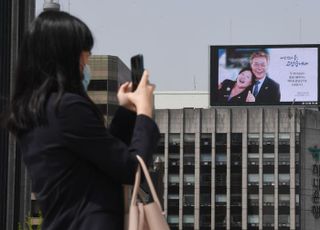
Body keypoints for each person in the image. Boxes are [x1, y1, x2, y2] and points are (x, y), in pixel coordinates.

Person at [4, 11, 160, 230]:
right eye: (83, 53)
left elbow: (104, 157)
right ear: (64, 56)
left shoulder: (36, 110)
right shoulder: (66, 108)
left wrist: (127, 110)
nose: (86, 60)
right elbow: (131, 169)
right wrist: (145, 111)